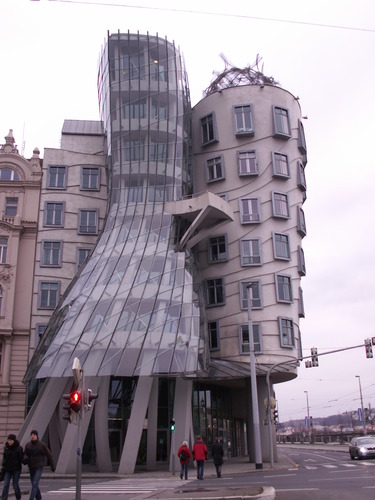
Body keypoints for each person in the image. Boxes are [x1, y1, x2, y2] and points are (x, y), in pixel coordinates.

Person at [23, 430, 55, 500]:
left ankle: (31, 498)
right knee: (34, 484)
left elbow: (49, 455)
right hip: (31, 466)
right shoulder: (28, 445)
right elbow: (25, 454)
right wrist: (25, 458)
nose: (32, 436)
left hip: (38, 467)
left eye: (34, 435)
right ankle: (39, 497)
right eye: (32, 435)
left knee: (35, 483)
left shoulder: (42, 445)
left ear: (37, 436)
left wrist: (52, 466)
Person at [1, 434, 23, 500]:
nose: (9, 441)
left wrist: (25, 460)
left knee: (15, 485)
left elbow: (21, 458)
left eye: (10, 440)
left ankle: (18, 497)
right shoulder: (6, 448)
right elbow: (5, 458)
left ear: (14, 440)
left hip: (16, 469)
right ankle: (4, 498)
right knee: (5, 485)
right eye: (8, 440)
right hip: (7, 469)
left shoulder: (19, 448)